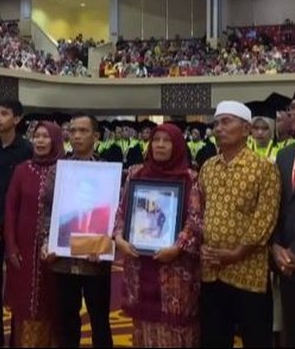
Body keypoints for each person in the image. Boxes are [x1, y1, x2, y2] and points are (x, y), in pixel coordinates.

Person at [199, 101, 281, 348]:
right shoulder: (207, 167)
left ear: (245, 130)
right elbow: (201, 210)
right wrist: (203, 244)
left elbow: (265, 218)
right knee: (214, 338)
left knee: (256, 338)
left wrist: (235, 253)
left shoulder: (263, 168)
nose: (219, 129)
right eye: (216, 123)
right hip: (212, 272)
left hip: (248, 273)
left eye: (226, 122)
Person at [115, 124, 203, 347]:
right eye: (156, 140)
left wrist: (178, 247)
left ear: (178, 146)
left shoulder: (189, 178)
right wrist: (119, 238)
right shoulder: (136, 173)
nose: (160, 145)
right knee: (143, 327)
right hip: (138, 264)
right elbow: (121, 213)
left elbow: (195, 221)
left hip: (175, 272)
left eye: (167, 141)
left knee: (175, 329)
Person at [42, 113, 113, 348]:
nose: (77, 136)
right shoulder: (57, 171)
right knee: (66, 320)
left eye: (83, 131)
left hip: (95, 260)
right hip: (62, 258)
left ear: (96, 136)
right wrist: (47, 242)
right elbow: (47, 212)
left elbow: (114, 215)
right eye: (72, 131)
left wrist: (104, 247)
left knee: (100, 320)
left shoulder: (107, 172)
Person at [4, 121, 64, 347]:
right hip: (24, 249)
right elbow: (10, 209)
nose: (39, 140)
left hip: (56, 250)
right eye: (36, 136)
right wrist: (11, 246)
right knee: (24, 301)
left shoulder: (66, 170)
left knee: (53, 302)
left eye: (46, 136)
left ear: (56, 140)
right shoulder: (22, 170)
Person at [0, 100, 32, 348]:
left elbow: (25, 195)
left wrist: (0, 223)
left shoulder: (27, 151)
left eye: (4, 114)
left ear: (17, 119)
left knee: (19, 287)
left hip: (17, 229)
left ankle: (18, 340)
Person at [273, 81, 295, 347]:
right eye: (293, 108)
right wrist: (276, 248)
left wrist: (294, 252)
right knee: (292, 333)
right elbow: (274, 206)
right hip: (285, 266)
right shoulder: (284, 156)